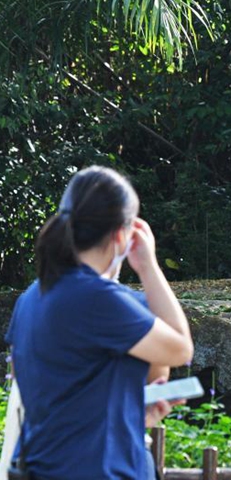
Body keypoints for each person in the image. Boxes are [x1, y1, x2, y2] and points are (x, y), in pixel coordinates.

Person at [4, 166, 194, 479]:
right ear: (122, 234)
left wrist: (134, 413)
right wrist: (148, 267)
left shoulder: (32, 298)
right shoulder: (98, 299)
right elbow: (180, 349)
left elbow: (59, 399)